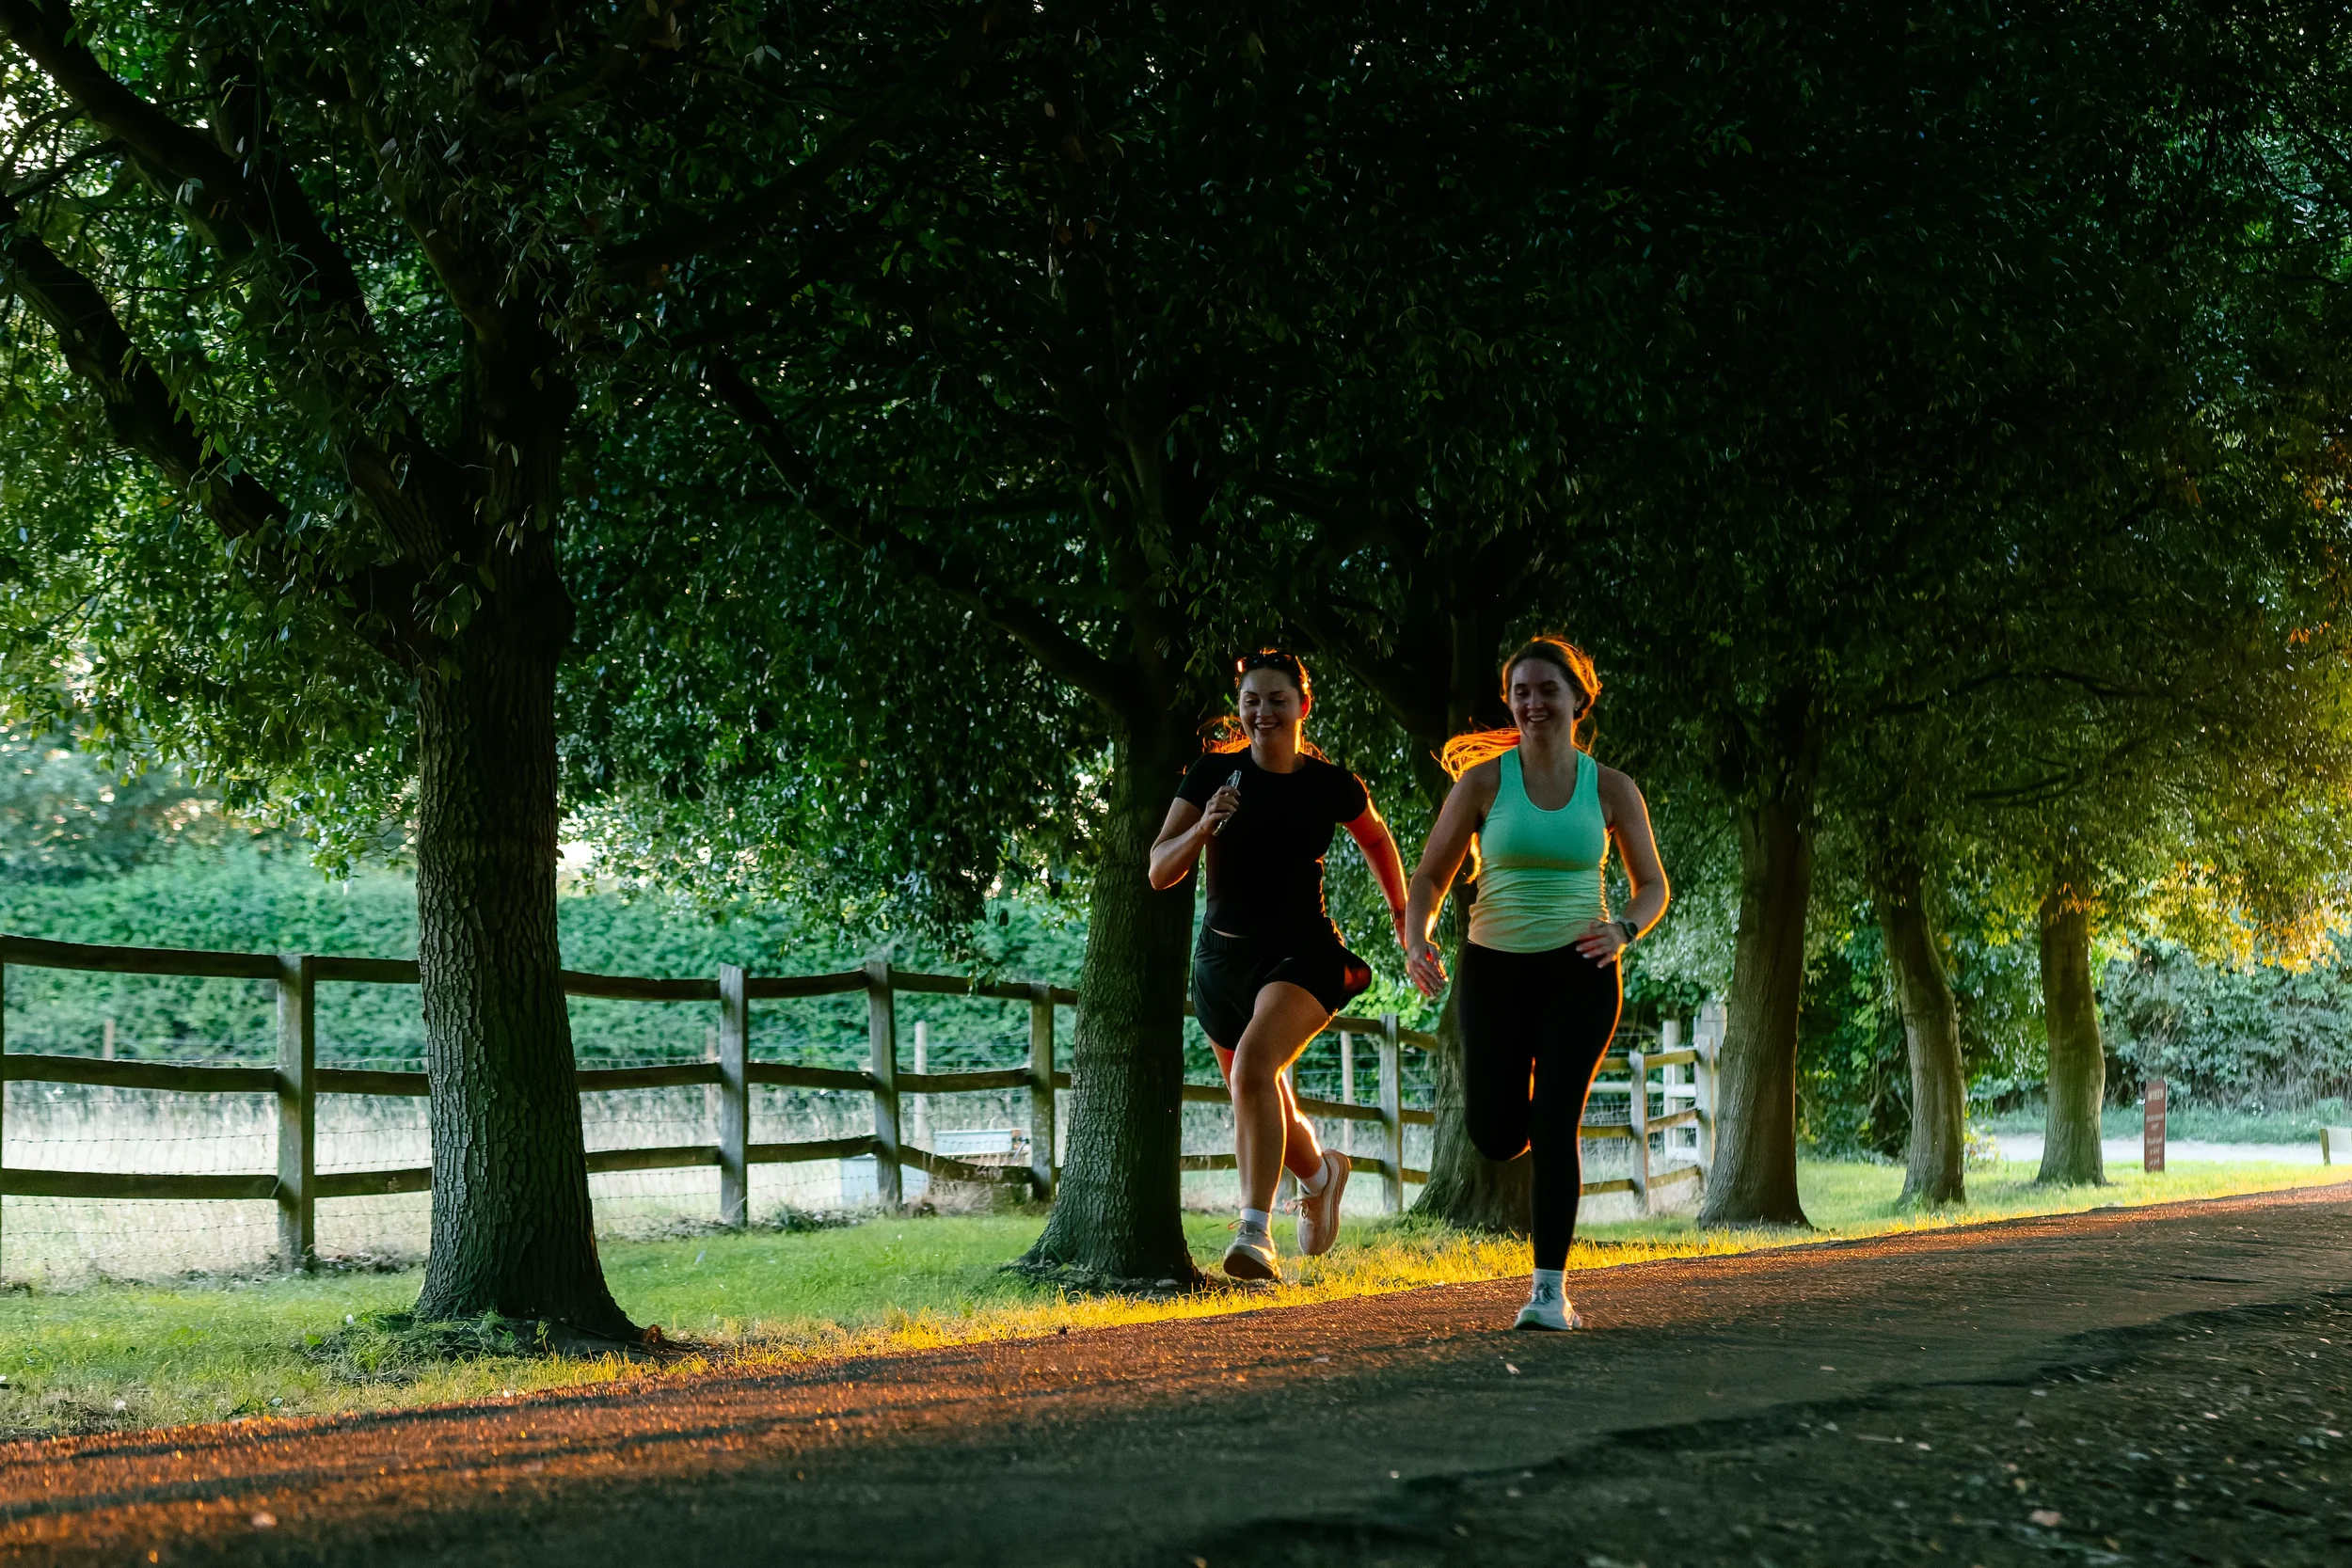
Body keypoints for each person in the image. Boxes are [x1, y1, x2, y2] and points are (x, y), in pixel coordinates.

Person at [1402, 637, 1669, 1330]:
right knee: (1494, 1133)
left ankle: (1550, 1292)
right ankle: (1529, 1125)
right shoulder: (1485, 783)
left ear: (1579, 698)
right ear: (1510, 700)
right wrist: (1417, 933)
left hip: (1581, 971)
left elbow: (1651, 887)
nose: (1532, 702)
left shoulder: (1610, 787)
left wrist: (1624, 930)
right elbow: (1431, 875)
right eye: (1521, 690)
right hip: (1494, 968)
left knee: (1556, 1122)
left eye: (1547, 689)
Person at [1149, 649, 1411, 1281]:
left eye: (1276, 699)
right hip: (1221, 959)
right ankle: (1322, 1174)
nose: (1263, 712)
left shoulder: (1330, 784)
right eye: (1251, 700)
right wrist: (1206, 823)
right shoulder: (1212, 776)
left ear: (1302, 704)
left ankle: (1253, 1233)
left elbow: (1375, 836)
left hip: (1303, 953)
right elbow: (1160, 869)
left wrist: (1403, 913)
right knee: (1256, 1093)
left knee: (1255, 1070)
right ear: (1239, 708)